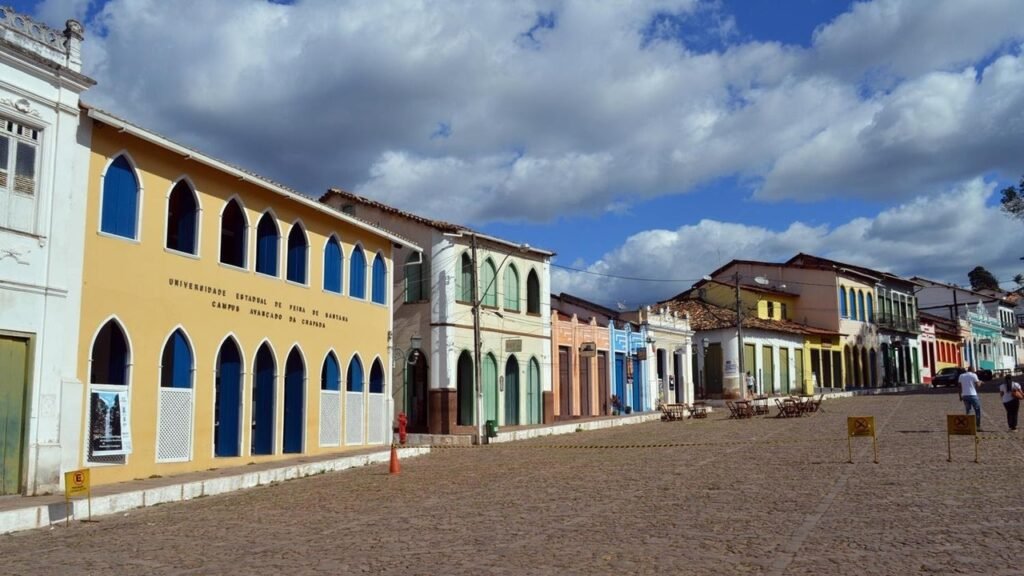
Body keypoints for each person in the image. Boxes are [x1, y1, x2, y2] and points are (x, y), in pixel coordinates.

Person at [959, 365, 983, 431]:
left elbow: (959, 386)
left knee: (968, 411)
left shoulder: (961, 376)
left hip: (965, 395)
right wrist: (980, 382)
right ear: (972, 370)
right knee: (977, 410)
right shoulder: (974, 375)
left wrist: (960, 395)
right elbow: (978, 385)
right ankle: (977, 426)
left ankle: (968, 426)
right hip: (973, 395)